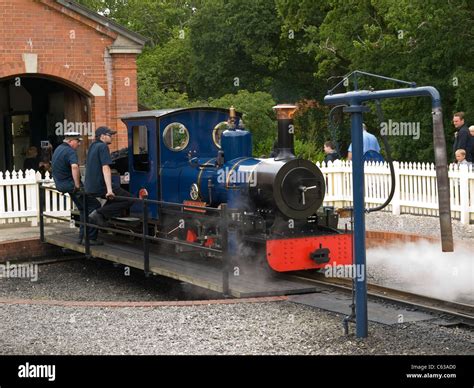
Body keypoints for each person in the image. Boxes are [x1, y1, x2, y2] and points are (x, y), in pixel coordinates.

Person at [51, 131, 102, 245]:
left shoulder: (58, 149)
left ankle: (82, 237)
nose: (79, 144)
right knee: (94, 206)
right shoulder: (70, 151)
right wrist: (77, 184)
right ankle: (90, 239)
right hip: (71, 185)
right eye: (78, 141)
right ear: (71, 141)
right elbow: (74, 167)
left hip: (62, 184)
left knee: (84, 209)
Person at [85, 126, 133, 226]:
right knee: (129, 198)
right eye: (109, 135)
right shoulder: (103, 147)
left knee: (116, 198)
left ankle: (101, 215)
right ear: (102, 136)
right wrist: (109, 190)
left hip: (90, 185)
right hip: (100, 185)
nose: (112, 137)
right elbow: (105, 168)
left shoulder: (92, 146)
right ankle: (99, 214)